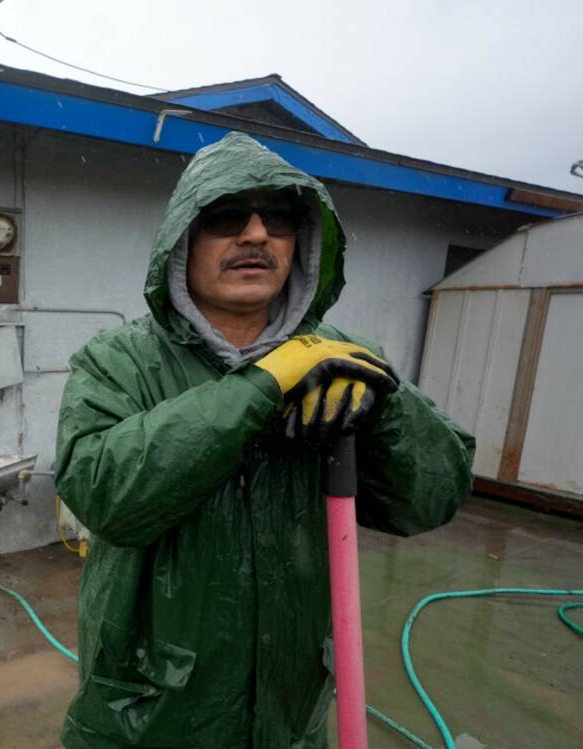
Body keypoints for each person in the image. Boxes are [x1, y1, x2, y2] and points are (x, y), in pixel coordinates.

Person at [55, 132, 474, 749]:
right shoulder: (117, 361)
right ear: (182, 242)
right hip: (149, 711)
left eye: (277, 217)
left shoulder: (345, 361)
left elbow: (430, 498)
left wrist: (388, 408)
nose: (256, 235)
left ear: (299, 241)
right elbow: (106, 495)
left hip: (291, 707)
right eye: (227, 216)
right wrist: (260, 385)